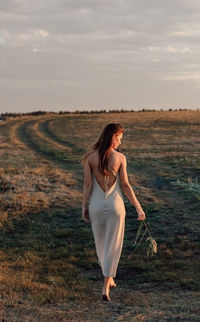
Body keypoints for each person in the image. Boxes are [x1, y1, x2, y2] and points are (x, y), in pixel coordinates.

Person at [82, 123, 146, 301]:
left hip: (96, 206)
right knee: (114, 243)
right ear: (111, 137)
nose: (120, 142)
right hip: (116, 207)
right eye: (119, 138)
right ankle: (106, 284)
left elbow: (87, 185)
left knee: (101, 243)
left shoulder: (90, 157)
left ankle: (108, 279)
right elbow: (125, 185)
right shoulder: (120, 158)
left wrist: (84, 207)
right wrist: (138, 207)